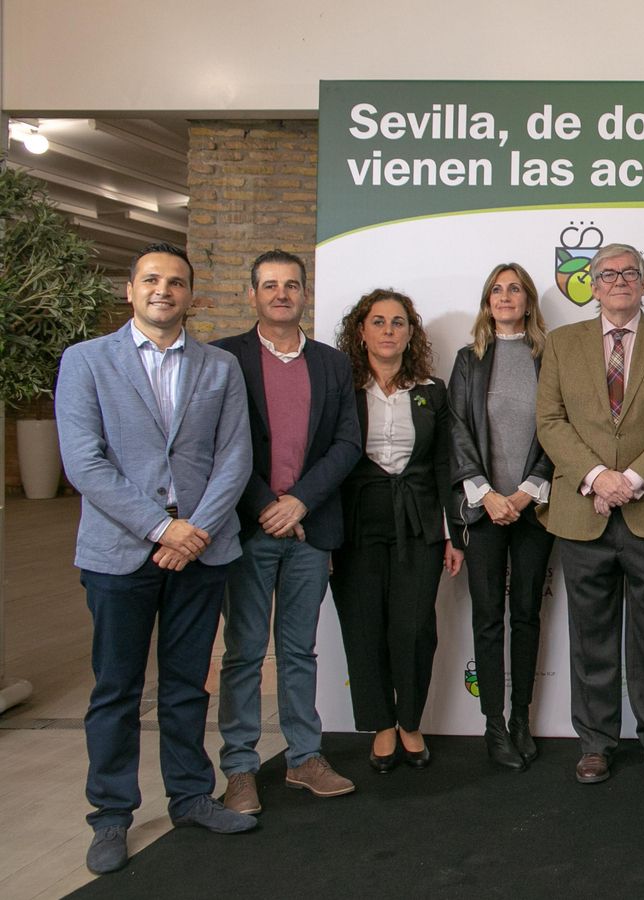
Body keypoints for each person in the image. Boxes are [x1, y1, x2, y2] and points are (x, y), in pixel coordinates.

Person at [56, 242, 256, 875]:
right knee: (116, 688)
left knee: (185, 683)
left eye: (175, 281)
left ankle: (191, 795)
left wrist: (192, 530)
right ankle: (111, 815)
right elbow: (85, 462)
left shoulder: (219, 366)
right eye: (150, 279)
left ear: (192, 296)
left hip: (202, 549)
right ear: (130, 289)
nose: (163, 289)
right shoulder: (86, 361)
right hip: (121, 553)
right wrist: (159, 528)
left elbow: (234, 458)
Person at [535, 243, 644, 784]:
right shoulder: (562, 344)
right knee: (590, 637)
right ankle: (596, 743)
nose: (620, 281)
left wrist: (628, 481)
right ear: (594, 285)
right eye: (608, 274)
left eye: (630, 273)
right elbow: (551, 421)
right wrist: (595, 478)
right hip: (583, 513)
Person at [214, 250, 362, 814]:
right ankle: (241, 768)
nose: (281, 294)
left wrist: (299, 502)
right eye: (270, 285)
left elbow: (347, 444)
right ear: (251, 295)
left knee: (300, 650)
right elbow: (220, 446)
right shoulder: (224, 358)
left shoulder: (331, 363)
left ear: (305, 295)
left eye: (291, 285)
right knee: (245, 652)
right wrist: (266, 507)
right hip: (248, 529)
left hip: (310, 529)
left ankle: (304, 757)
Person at [330, 288, 463, 773]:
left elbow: (444, 464)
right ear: (360, 330)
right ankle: (381, 724)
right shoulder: (340, 385)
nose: (389, 330)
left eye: (399, 322)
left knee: (413, 628)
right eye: (379, 321)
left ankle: (409, 721)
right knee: (364, 627)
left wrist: (453, 533)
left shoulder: (433, 390)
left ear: (412, 333)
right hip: (355, 523)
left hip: (419, 523)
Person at [447, 263, 556, 772]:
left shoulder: (550, 357)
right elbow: (457, 431)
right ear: (487, 301)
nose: (506, 296)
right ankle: (492, 723)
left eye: (515, 289)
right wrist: (488, 494)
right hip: (483, 508)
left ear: (529, 301)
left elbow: (561, 427)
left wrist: (528, 491)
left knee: (528, 614)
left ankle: (521, 719)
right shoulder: (469, 360)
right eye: (497, 289)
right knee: (488, 617)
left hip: (535, 509)